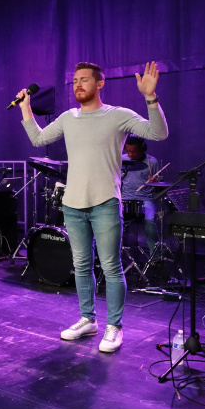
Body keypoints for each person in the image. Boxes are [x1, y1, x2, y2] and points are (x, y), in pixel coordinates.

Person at [17, 62, 168, 352]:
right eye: (75, 80)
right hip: (73, 204)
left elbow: (158, 133)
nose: (78, 84)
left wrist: (150, 97)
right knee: (81, 266)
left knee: (111, 267)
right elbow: (37, 139)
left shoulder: (118, 115)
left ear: (99, 84)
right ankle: (88, 319)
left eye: (84, 79)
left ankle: (115, 327)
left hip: (105, 203)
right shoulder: (68, 117)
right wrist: (26, 108)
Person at [120, 136, 163, 256]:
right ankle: (117, 257)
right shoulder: (121, 160)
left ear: (142, 149)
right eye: (128, 151)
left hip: (145, 200)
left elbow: (159, 188)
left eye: (133, 151)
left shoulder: (151, 162)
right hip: (125, 199)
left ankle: (155, 259)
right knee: (113, 221)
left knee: (149, 222)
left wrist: (155, 183)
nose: (130, 155)